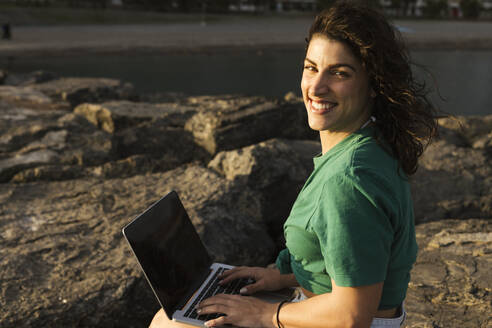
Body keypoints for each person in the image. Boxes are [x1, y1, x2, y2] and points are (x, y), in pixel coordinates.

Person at [150, 1, 438, 327]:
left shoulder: (348, 181)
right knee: (185, 309)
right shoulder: (372, 144)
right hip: (331, 305)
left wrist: (264, 314)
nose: (316, 87)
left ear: (374, 84)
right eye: (311, 68)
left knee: (169, 322)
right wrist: (285, 276)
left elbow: (352, 315)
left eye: (339, 73)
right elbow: (356, 263)